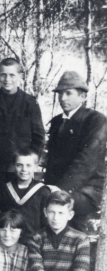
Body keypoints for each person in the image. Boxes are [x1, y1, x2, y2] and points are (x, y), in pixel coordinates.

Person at [45, 70, 107, 232]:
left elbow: (86, 161)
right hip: (60, 188)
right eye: (60, 94)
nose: (62, 98)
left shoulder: (95, 120)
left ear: (83, 97)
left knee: (72, 229)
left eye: (68, 93)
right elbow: (52, 163)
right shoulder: (58, 122)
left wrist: (59, 190)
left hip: (86, 190)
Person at [0, 57, 45, 184]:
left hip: (20, 169)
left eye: (12, 75)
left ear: (19, 76)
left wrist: (29, 163)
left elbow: (39, 137)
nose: (7, 79)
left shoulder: (29, 102)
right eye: (3, 75)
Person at [0, 148, 51, 239]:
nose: (24, 169)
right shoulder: (4, 190)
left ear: (36, 166)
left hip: (33, 242)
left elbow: (46, 223)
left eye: (28, 165)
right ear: (13, 166)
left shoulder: (43, 192)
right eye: (19, 165)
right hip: (8, 241)